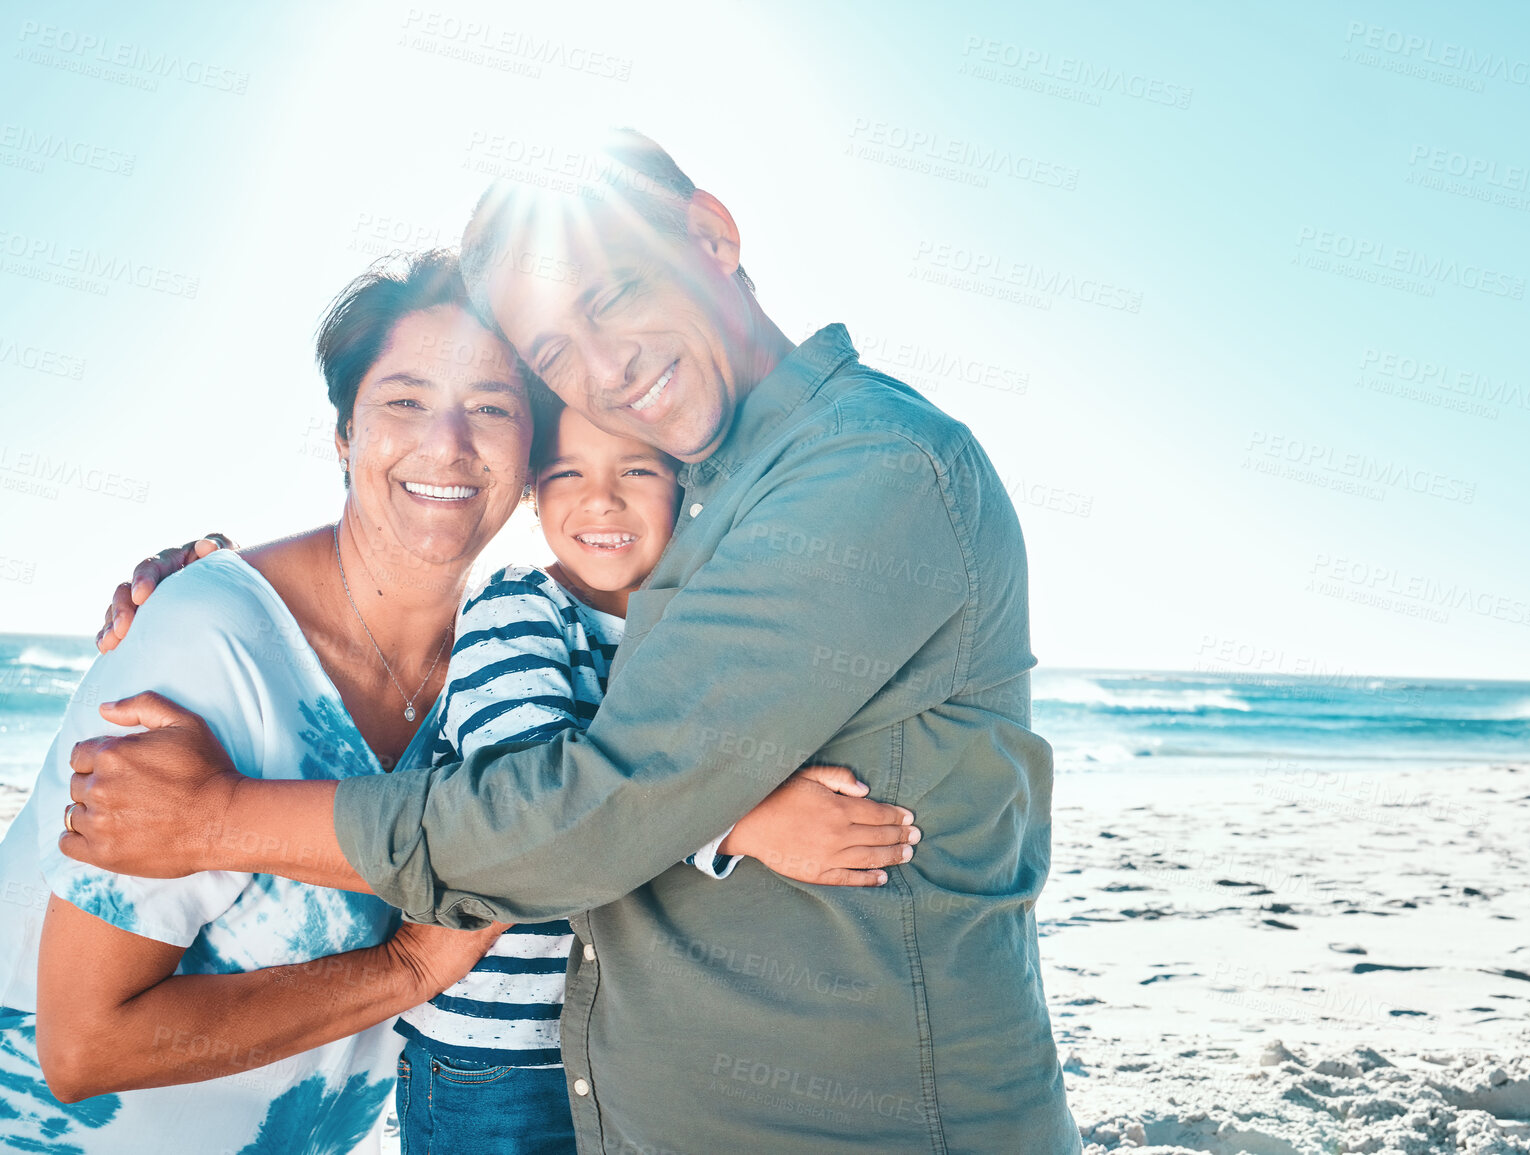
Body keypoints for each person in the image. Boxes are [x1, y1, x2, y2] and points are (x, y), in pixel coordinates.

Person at [71, 129, 1079, 1152]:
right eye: (553, 352)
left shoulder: (867, 467)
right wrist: (250, 586)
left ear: (712, 234)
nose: (604, 370)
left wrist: (221, 819)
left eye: (615, 295)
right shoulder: (715, 492)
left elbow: (586, 815)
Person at [0, 249, 906, 1152]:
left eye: (489, 407)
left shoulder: (494, 649)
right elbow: (83, 1046)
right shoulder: (198, 643)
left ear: (528, 452)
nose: (447, 443)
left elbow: (587, 797)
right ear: (344, 434)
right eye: (403, 400)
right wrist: (410, 965)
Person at [397, 400, 908, 1153]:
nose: (601, 498)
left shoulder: (703, 625)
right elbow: (535, 804)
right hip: (498, 1056)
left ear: (687, 489)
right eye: (566, 472)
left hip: (639, 1043)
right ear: (534, 494)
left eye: (637, 469)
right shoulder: (517, 604)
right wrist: (745, 823)